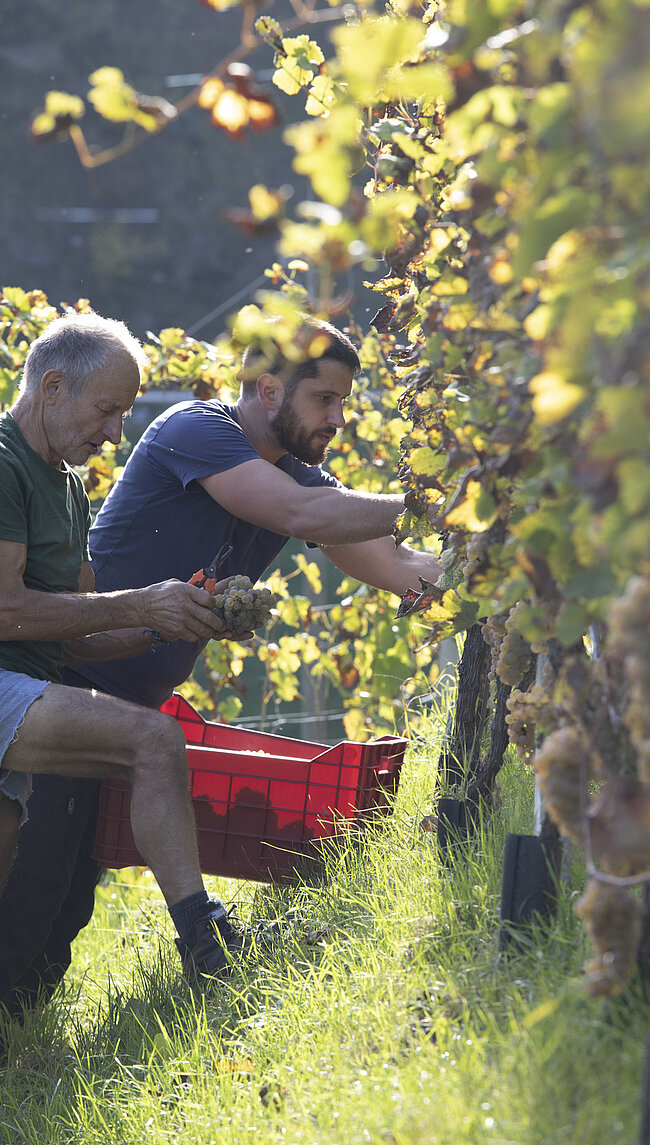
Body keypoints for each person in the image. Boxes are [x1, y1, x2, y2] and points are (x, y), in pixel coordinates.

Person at [0, 314, 440, 1013]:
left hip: (112, 689)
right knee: (33, 897)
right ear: (269, 390)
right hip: (66, 683)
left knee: (62, 912)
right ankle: (189, 948)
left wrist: (485, 566)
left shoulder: (294, 478)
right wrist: (436, 500)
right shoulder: (197, 431)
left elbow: (395, 564)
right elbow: (303, 516)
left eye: (345, 403)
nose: (339, 418)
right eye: (325, 400)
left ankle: (25, 1043)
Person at [0, 311, 265, 995]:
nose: (116, 431)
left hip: (21, 694)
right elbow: (6, 609)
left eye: (123, 414)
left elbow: (76, 630)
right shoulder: (3, 464)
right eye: (107, 410)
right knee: (153, 741)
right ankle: (205, 943)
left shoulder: (69, 489)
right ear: (52, 387)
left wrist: (172, 622)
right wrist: (141, 603)